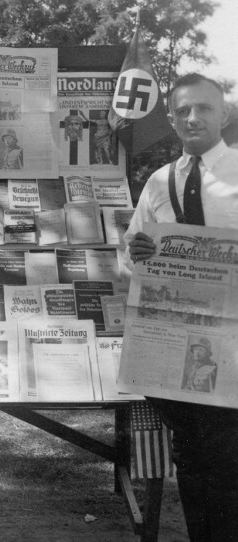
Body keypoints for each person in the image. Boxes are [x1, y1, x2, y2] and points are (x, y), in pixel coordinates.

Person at [124, 72, 238, 542]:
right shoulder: (157, 181)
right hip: (176, 343)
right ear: (171, 119)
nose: (194, 118)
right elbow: (132, 250)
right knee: (192, 457)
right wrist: (139, 257)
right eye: (183, 111)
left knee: (229, 456)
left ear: (225, 114)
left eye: (204, 108)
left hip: (233, 343)